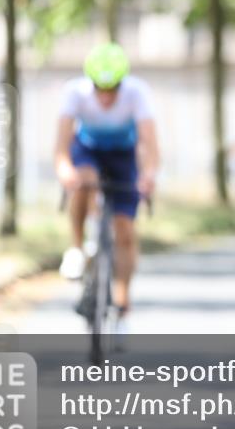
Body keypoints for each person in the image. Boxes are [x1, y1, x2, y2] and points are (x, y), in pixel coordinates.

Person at [54, 42, 160, 332]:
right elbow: (62, 147)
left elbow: (150, 143)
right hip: (88, 150)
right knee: (83, 180)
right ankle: (77, 248)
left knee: (125, 230)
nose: (105, 96)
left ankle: (122, 305)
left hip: (123, 156)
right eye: (100, 89)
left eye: (112, 88)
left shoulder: (137, 93)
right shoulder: (74, 93)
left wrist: (149, 175)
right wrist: (65, 170)